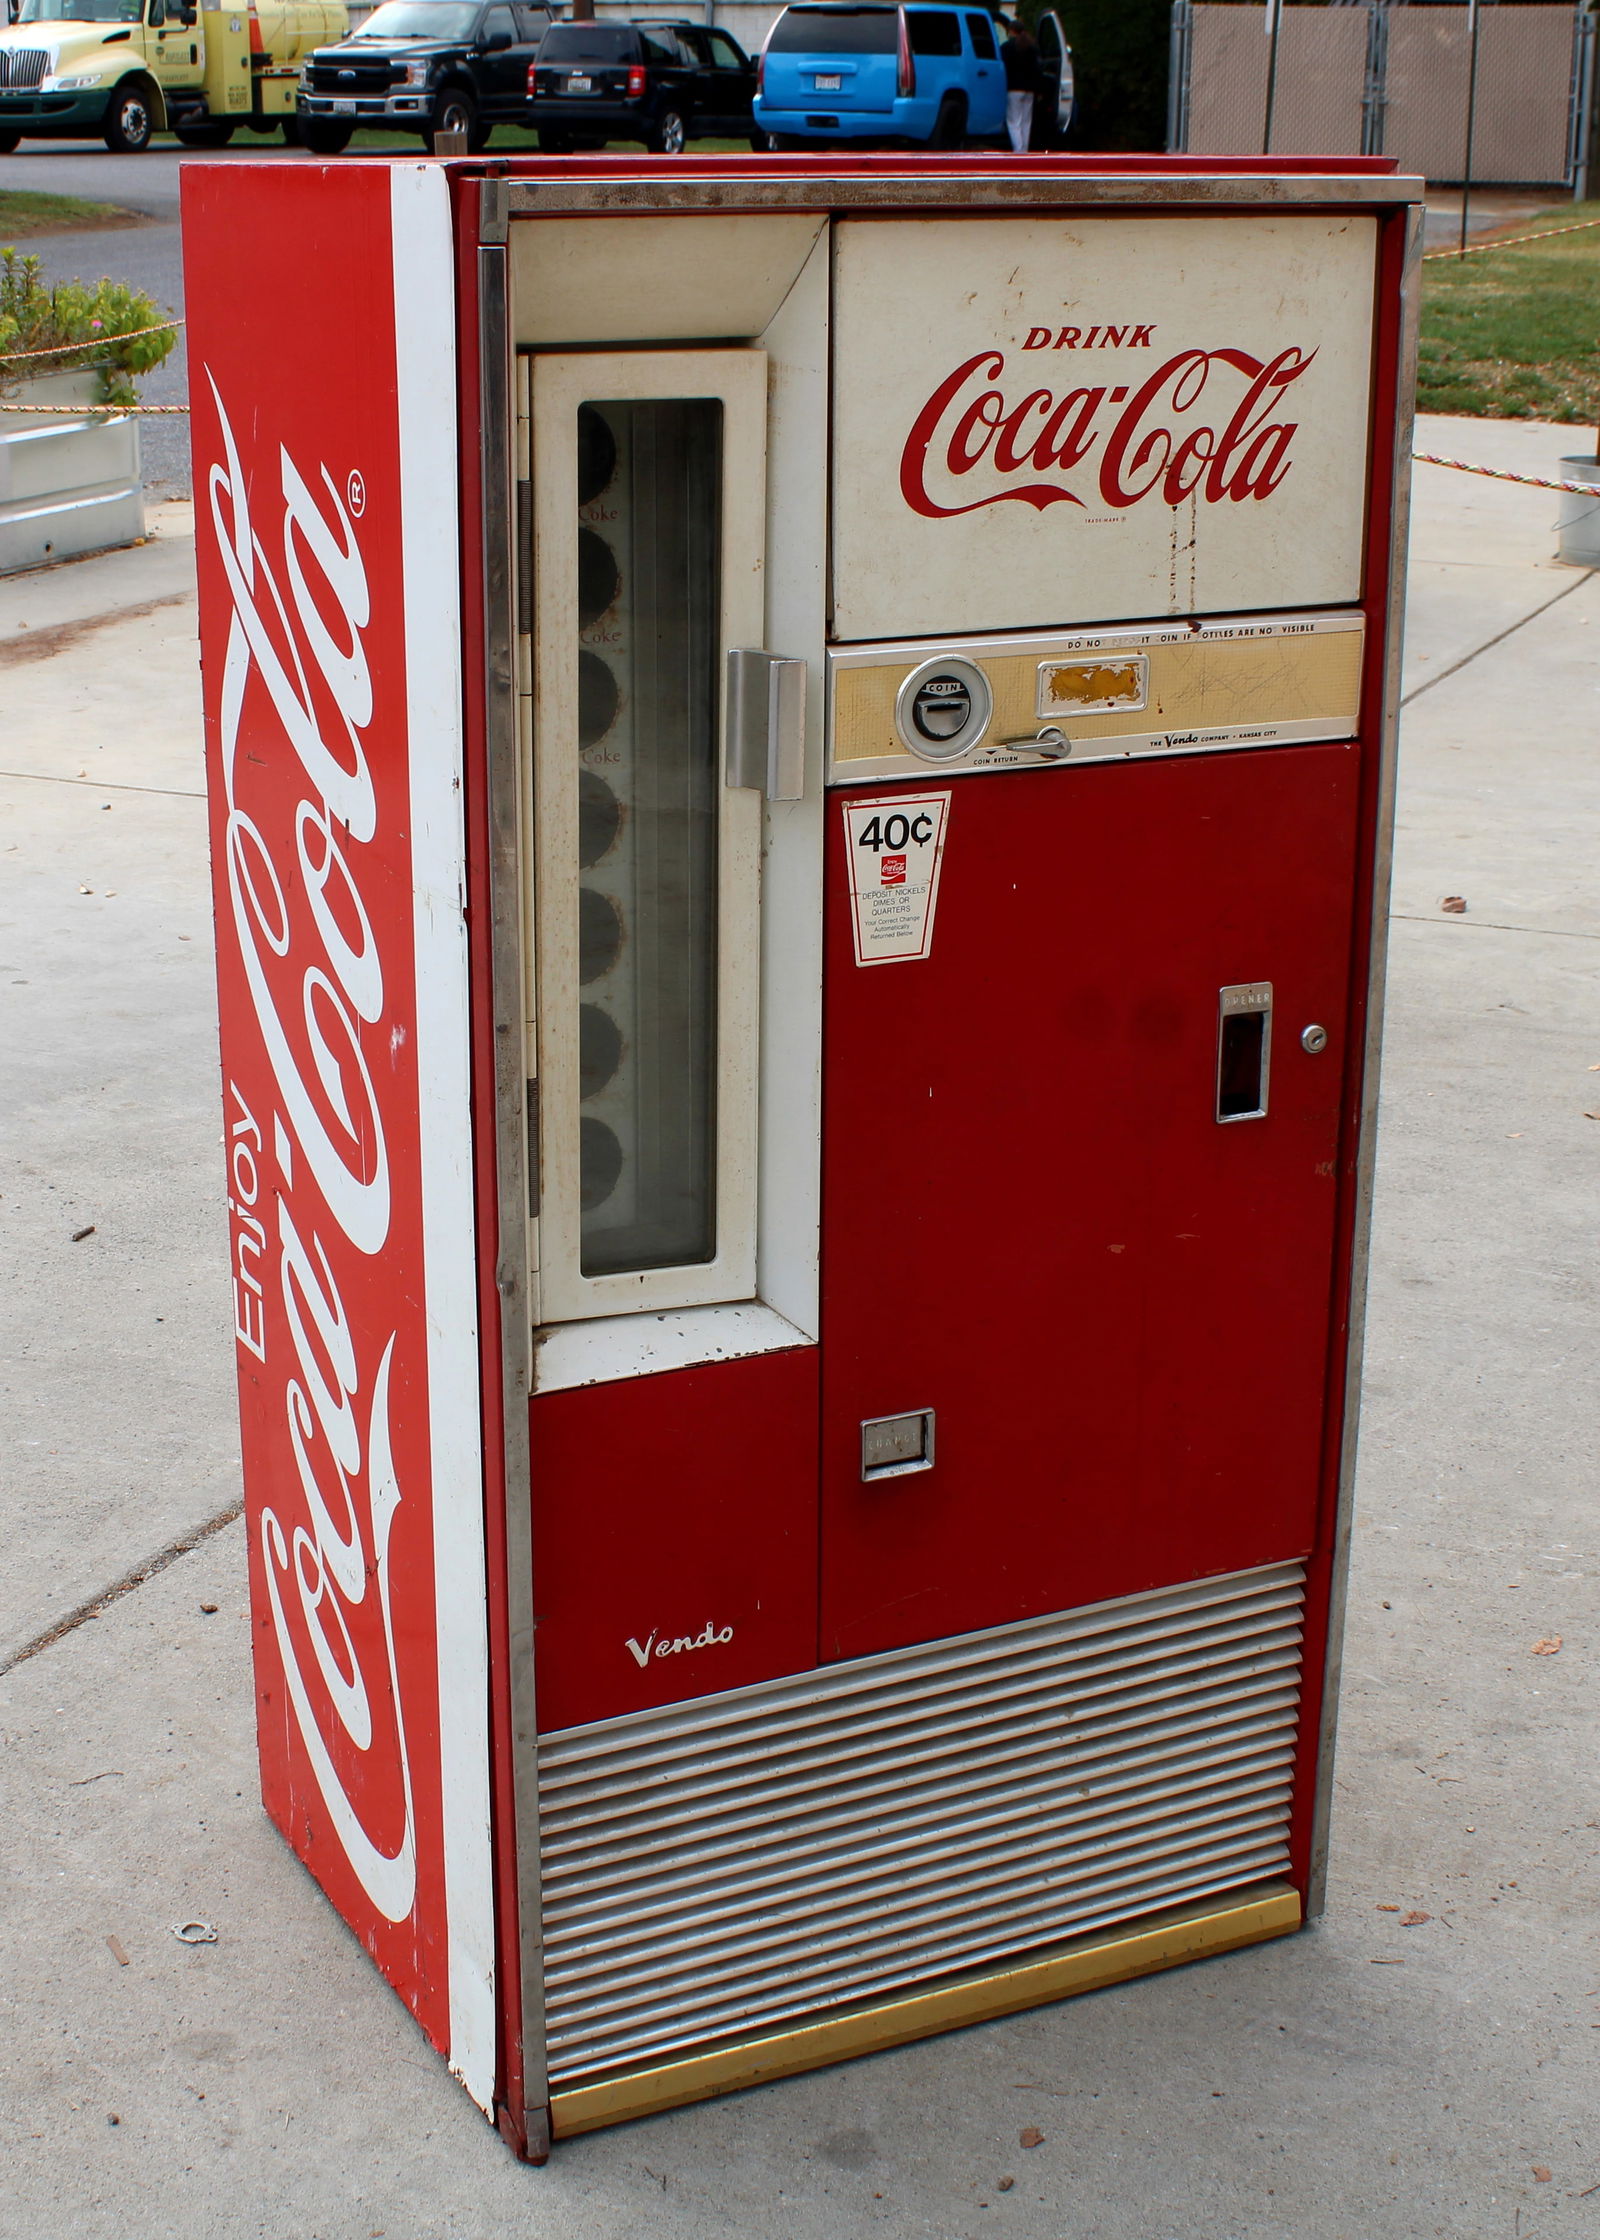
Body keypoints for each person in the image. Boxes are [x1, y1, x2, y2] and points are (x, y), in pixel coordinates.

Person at [999, 15, 1041, 154]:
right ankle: (1025, 150)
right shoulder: (1032, 47)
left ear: (1011, 31)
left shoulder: (1007, 47)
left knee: (1013, 121)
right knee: (1026, 121)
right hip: (1029, 89)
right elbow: (1037, 69)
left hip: (1014, 88)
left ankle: (1018, 150)